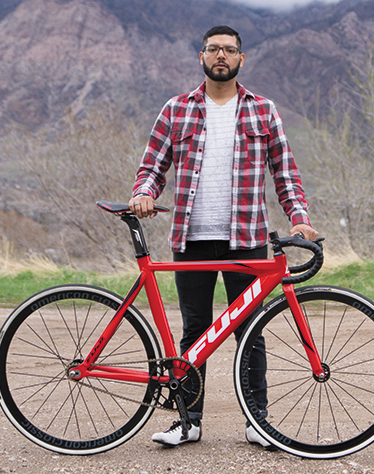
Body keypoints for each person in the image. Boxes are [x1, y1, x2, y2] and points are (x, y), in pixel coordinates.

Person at [128, 25, 317, 448]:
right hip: (191, 238)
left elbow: (285, 173)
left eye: (229, 50)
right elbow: (152, 167)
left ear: (241, 59)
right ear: (201, 56)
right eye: (214, 49)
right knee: (194, 329)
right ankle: (187, 421)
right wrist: (144, 194)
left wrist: (299, 219)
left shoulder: (263, 110)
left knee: (250, 329)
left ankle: (258, 422)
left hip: (246, 237)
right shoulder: (176, 109)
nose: (221, 56)